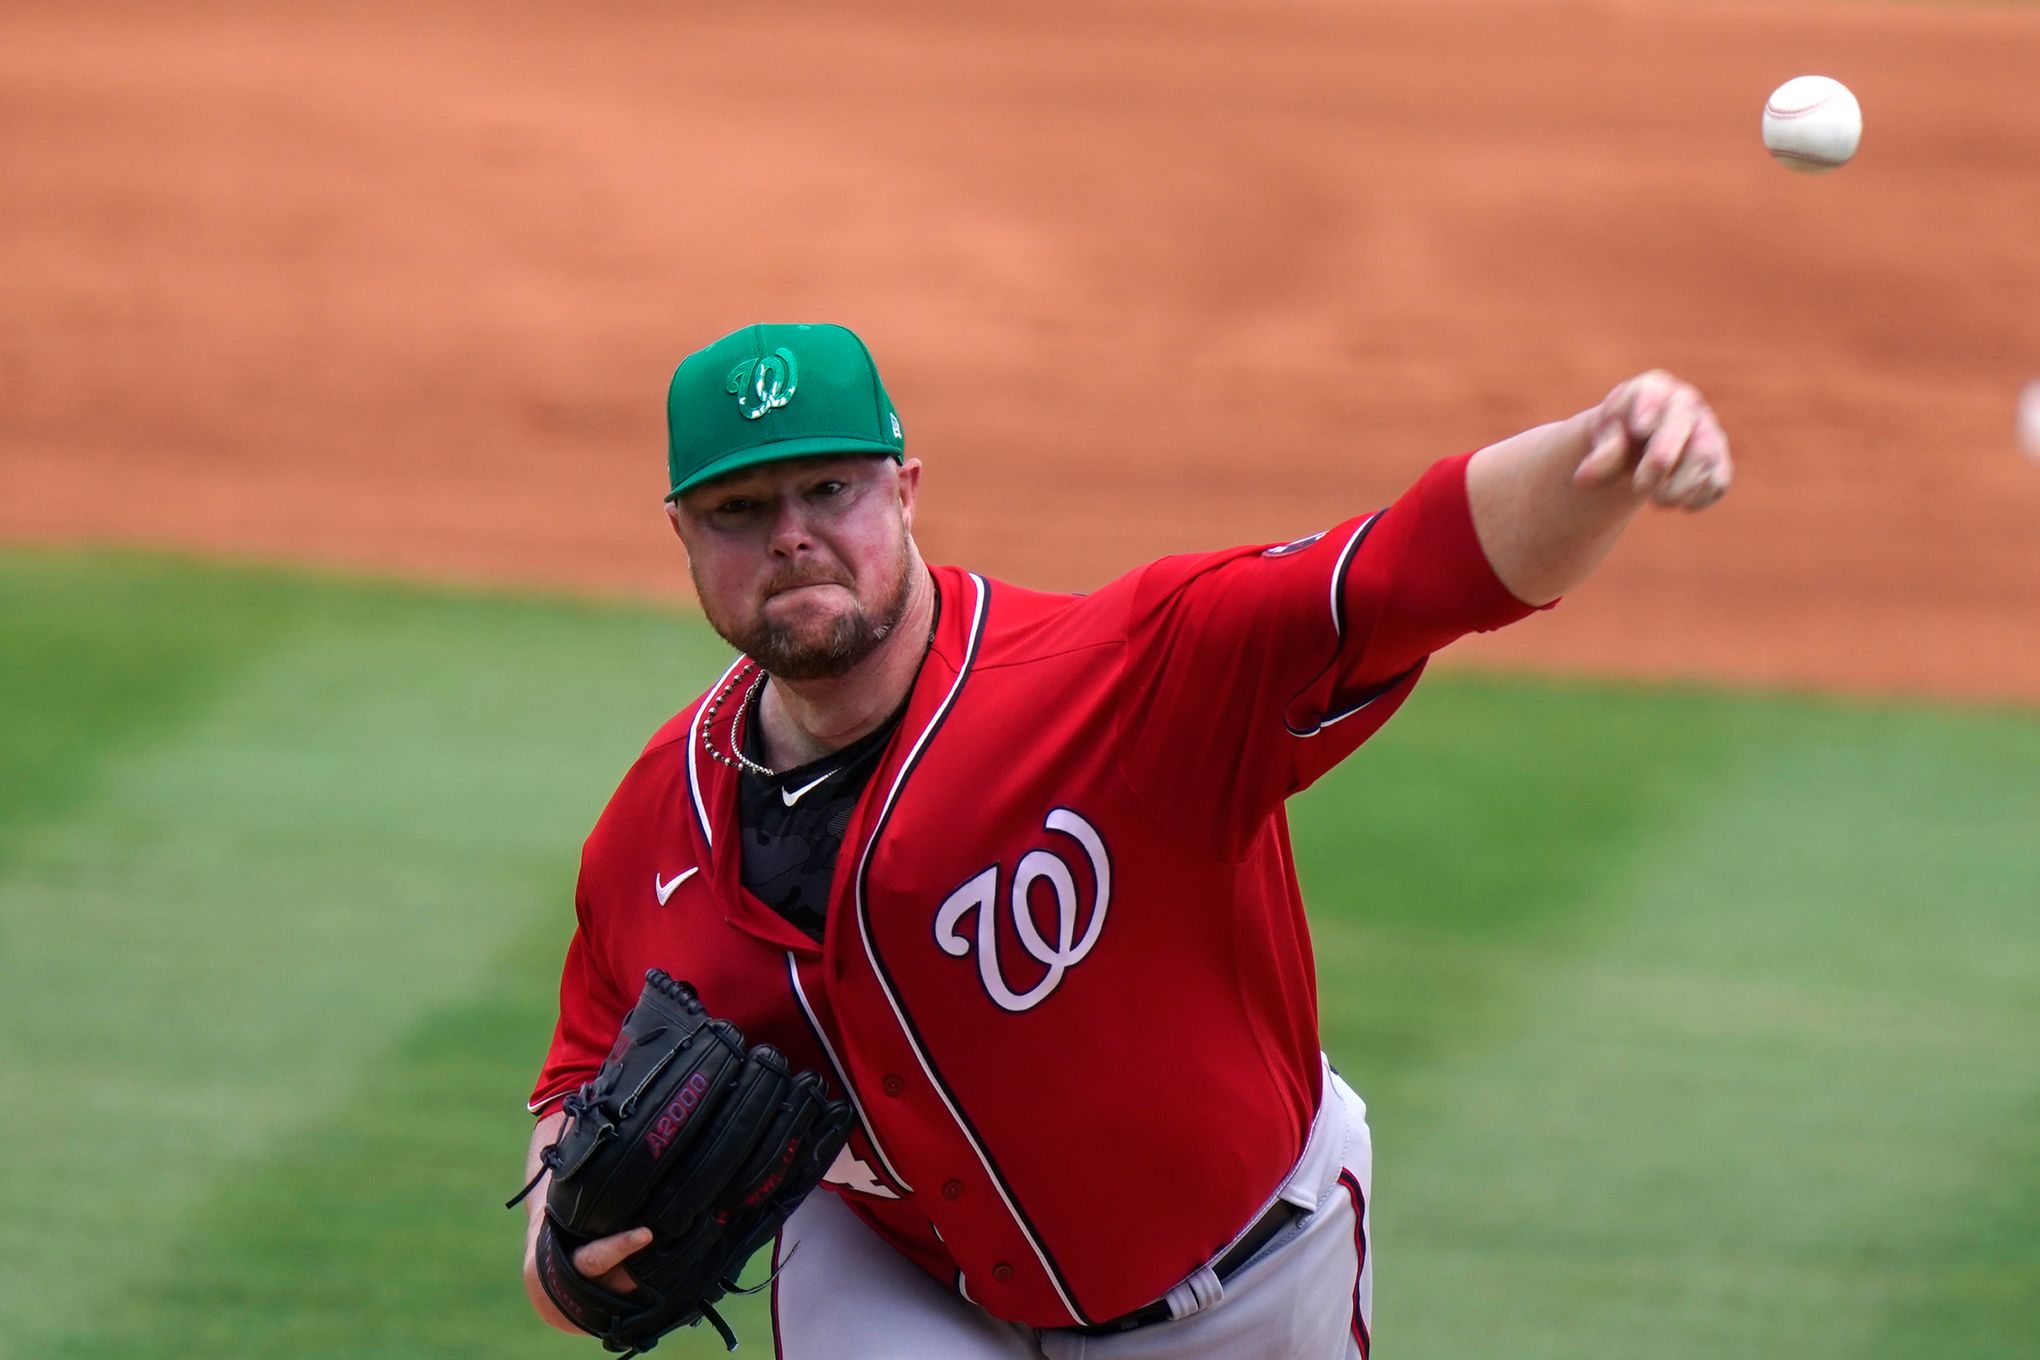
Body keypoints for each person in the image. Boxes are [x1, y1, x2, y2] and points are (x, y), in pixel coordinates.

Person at [517, 322, 1732, 1358]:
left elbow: (1417, 565)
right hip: (901, 1289)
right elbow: (576, 1088)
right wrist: (563, 1256)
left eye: (829, 489)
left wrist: (1604, 452)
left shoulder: (1126, 676)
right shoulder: (652, 824)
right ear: (684, 534)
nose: (790, 534)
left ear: (904, 488)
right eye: (740, 508)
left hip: (1244, 1285)